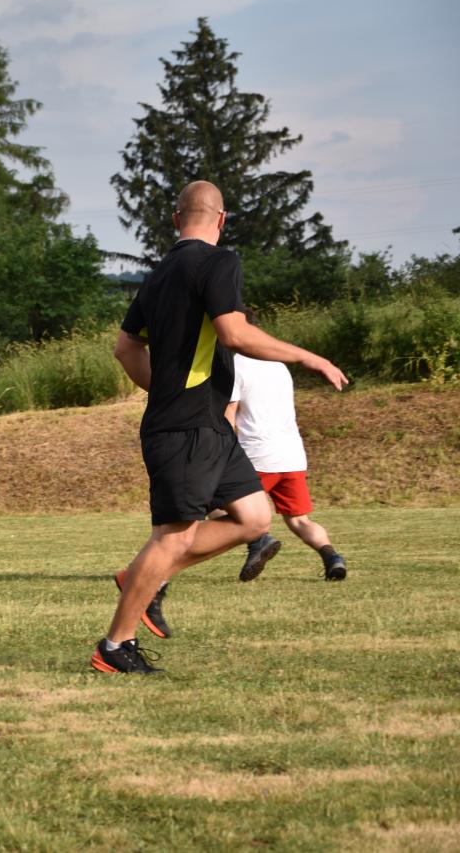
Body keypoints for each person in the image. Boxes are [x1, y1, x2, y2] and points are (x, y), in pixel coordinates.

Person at [93, 180, 348, 674]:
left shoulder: (157, 275)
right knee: (173, 537)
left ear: (176, 219)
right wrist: (307, 356)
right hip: (186, 428)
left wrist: (165, 388)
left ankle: (141, 577)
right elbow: (234, 332)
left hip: (209, 426)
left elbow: (126, 348)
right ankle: (114, 646)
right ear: (222, 219)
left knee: (254, 518)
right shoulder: (219, 261)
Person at [226, 309, 348, 582]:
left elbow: (229, 415)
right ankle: (332, 557)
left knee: (220, 505)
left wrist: (222, 451)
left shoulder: (235, 366)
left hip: (257, 456)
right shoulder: (278, 364)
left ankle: (259, 542)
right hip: (291, 455)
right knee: (299, 519)